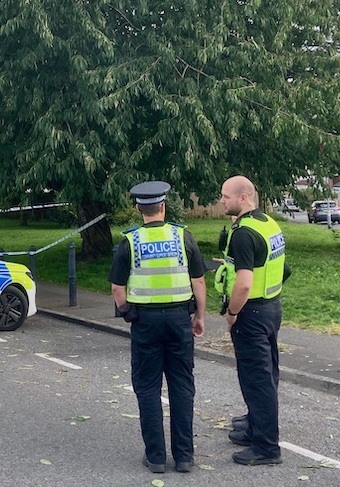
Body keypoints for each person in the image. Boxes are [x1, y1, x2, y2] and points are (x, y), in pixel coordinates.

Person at [109, 181, 207, 475]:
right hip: (179, 320)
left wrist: (128, 313)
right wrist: (200, 316)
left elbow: (117, 288)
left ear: (139, 208)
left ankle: (155, 458)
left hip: (146, 323)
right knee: (182, 386)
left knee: (148, 388)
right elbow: (198, 280)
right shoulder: (183, 236)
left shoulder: (130, 241)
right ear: (163, 207)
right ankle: (184, 457)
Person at [216, 175, 287, 466]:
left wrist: (232, 313)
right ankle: (254, 428)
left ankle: (266, 447)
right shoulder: (268, 223)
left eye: (226, 196)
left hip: (251, 313)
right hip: (271, 308)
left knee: (257, 380)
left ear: (243, 198)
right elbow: (282, 268)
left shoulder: (244, 233)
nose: (221, 200)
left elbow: (244, 284)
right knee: (266, 374)